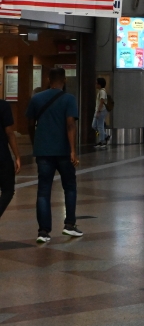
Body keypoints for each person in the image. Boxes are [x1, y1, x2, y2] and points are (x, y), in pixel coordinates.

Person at [27, 67, 82, 243]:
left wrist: (35, 142)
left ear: (48, 80)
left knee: (43, 191)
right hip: (63, 151)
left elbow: (30, 124)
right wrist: (73, 150)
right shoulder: (69, 99)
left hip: (43, 151)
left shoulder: (36, 99)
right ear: (64, 80)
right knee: (70, 187)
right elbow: (70, 125)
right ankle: (70, 225)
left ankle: (43, 231)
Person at [0, 98, 20, 220]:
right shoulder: (3, 106)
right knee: (8, 190)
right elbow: (9, 133)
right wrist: (17, 156)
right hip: (2, 155)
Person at [94, 77, 110, 147]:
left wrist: (98, 111)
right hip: (98, 111)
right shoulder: (100, 91)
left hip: (101, 111)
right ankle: (106, 136)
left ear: (100, 85)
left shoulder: (102, 92)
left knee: (100, 126)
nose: (95, 84)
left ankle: (102, 141)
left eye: (96, 83)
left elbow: (101, 102)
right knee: (94, 125)